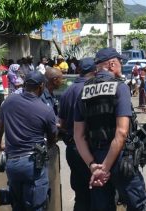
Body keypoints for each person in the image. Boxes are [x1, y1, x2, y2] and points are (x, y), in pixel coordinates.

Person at [73, 47, 146, 211]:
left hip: (95, 158)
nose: (121, 66)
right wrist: (106, 168)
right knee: (141, 206)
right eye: (119, 62)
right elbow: (121, 132)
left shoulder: (83, 91)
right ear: (111, 64)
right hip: (119, 158)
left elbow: (78, 136)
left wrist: (93, 166)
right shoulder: (120, 87)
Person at [0, 70, 57, 211]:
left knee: (17, 205)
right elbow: (53, 139)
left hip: (12, 164)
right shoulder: (45, 110)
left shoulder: (9, 101)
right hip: (33, 165)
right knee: (36, 205)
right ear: (41, 86)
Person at [59, 57, 96, 210]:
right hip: (89, 148)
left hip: (72, 149)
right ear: (94, 71)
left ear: (79, 70)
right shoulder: (92, 89)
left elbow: (60, 123)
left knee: (80, 193)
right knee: (96, 193)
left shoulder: (67, 92)